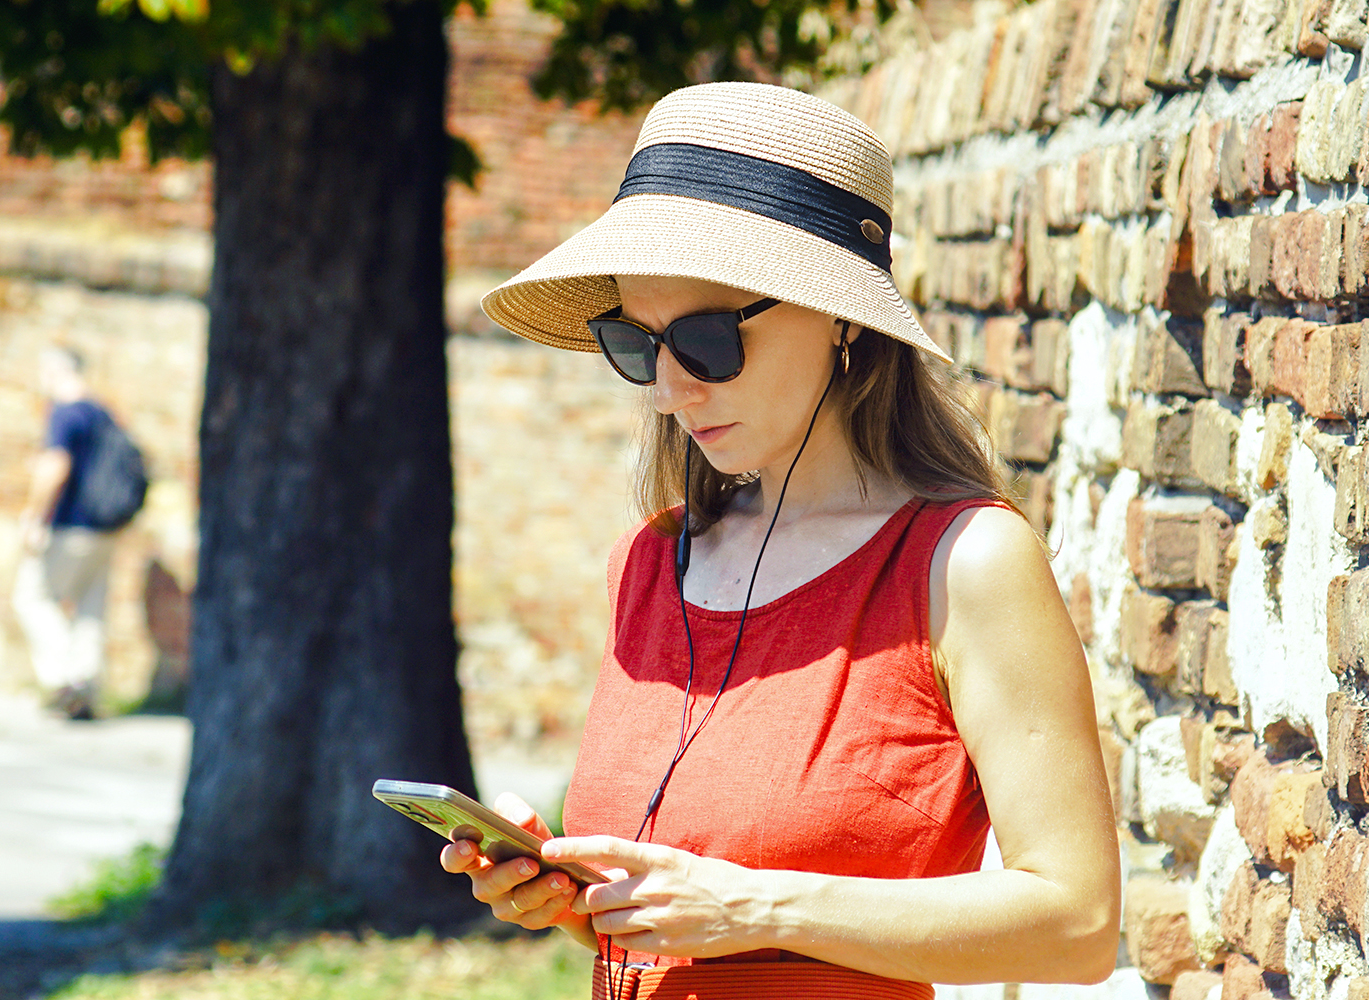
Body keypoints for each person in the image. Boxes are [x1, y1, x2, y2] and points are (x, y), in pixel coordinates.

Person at [439, 83, 1120, 998]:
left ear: (840, 318)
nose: (669, 392)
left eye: (708, 340)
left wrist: (754, 911)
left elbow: (1074, 926)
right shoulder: (649, 562)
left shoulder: (965, 565)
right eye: (635, 345)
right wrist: (573, 896)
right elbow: (688, 915)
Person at [13, 346, 120, 721]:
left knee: (31, 597)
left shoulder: (65, 412)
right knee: (90, 607)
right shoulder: (101, 412)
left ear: (56, 370)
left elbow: (55, 466)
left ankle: (66, 680)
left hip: (71, 523)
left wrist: (33, 515)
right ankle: (87, 685)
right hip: (106, 527)